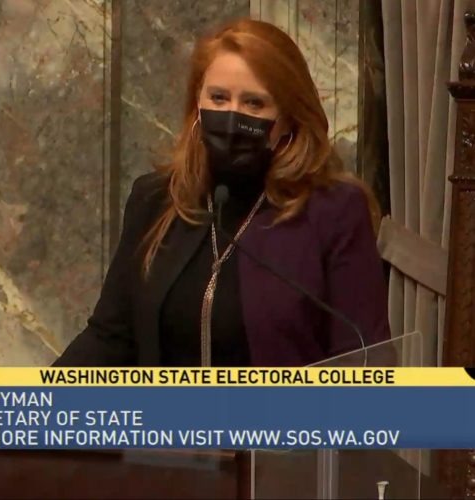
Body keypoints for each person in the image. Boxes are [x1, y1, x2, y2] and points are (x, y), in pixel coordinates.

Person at [54, 18, 390, 367]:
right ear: (196, 104)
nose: (232, 116)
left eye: (254, 104)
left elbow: (364, 362)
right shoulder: (156, 199)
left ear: (289, 118)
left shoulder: (333, 212)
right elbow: (110, 338)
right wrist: (30, 405)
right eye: (218, 98)